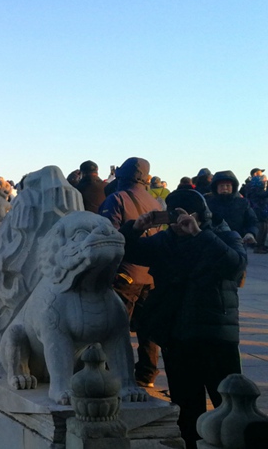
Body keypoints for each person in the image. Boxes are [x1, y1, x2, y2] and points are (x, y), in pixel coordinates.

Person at [120, 189, 246, 449]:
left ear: (198, 215)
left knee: (229, 405)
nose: (176, 223)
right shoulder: (165, 240)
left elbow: (234, 267)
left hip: (215, 334)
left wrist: (199, 234)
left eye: (182, 215)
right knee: (187, 409)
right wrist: (134, 228)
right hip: (177, 333)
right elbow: (128, 253)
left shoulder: (224, 235)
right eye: (172, 215)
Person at [98, 157, 162, 388]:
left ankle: (112, 373)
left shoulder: (116, 198)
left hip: (124, 273)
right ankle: (147, 374)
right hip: (150, 274)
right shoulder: (155, 202)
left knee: (115, 327)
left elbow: (108, 235)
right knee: (147, 328)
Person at [205, 170, 258, 246]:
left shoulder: (242, 203)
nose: (225, 188)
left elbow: (252, 220)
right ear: (215, 188)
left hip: (237, 242)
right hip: (214, 242)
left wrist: (250, 233)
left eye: (228, 185)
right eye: (221, 186)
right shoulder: (208, 203)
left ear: (233, 187)